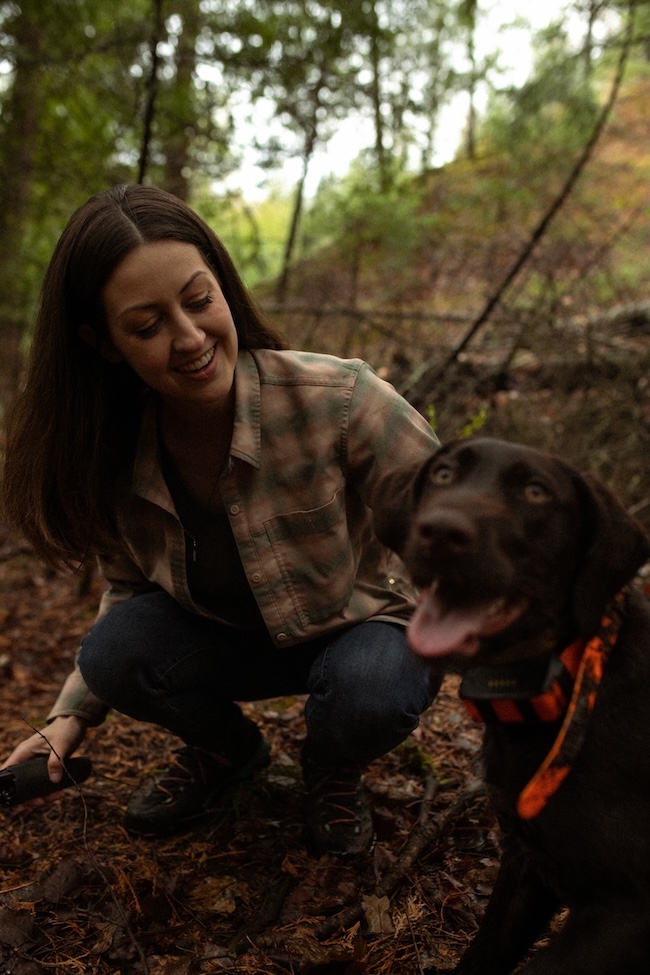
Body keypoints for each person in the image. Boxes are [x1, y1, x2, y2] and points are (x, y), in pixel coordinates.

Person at [1, 184, 441, 856]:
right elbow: (129, 593)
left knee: (370, 689)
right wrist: (69, 717)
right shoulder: (113, 452)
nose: (189, 338)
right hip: (229, 642)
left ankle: (330, 763)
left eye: (199, 300)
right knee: (115, 649)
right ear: (105, 344)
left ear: (225, 288)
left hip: (358, 633)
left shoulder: (340, 399)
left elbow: (457, 522)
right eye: (147, 327)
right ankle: (229, 752)